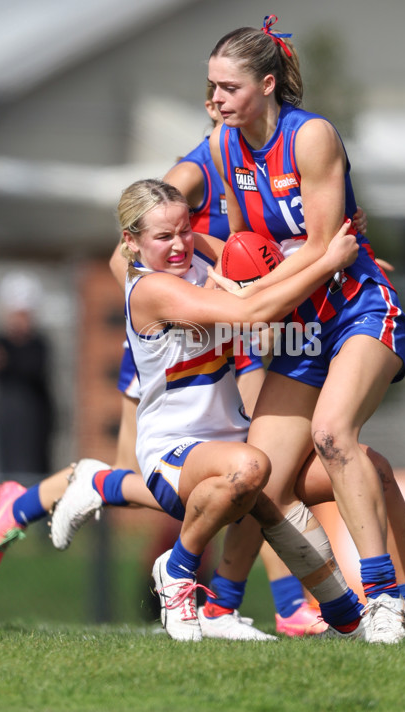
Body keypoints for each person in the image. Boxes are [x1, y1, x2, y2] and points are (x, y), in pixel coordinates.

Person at [206, 15, 405, 642]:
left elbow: (325, 250)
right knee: (258, 473)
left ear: (266, 84)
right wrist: (219, 268)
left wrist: (249, 294)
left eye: (228, 88)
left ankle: (385, 602)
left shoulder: (310, 137)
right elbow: (248, 244)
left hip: (358, 309)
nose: (215, 100)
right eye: (210, 87)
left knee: (333, 435)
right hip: (301, 322)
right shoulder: (223, 144)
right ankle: (217, 608)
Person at [54, 177, 361, 641]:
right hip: (174, 449)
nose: (179, 245)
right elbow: (251, 313)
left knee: (365, 470)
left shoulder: (200, 251)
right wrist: (326, 264)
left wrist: (328, 249)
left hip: (232, 438)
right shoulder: (150, 289)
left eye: (184, 230)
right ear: (130, 242)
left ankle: (384, 609)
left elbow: (267, 265)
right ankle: (177, 569)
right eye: (163, 237)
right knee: (253, 469)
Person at [0, 271, 54, 480]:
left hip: (35, 420)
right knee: (7, 474)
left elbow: (32, 368)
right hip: (7, 417)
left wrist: (10, 360)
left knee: (33, 474)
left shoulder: (38, 343)